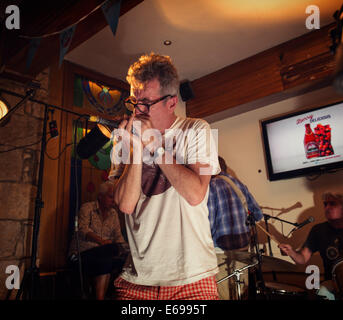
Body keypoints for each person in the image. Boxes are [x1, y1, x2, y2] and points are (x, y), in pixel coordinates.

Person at [109, 53, 221, 300]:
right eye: (134, 101)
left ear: (171, 102)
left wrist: (156, 146)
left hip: (192, 277)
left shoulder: (198, 130)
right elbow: (126, 205)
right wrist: (136, 148)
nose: (138, 110)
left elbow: (195, 194)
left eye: (146, 103)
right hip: (137, 278)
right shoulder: (123, 141)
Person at [278, 192, 343, 300]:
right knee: (322, 293)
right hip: (334, 282)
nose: (327, 208)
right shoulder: (318, 231)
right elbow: (303, 258)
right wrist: (291, 252)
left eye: (332, 204)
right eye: (325, 204)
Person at [207, 156, 263, 299]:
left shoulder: (211, 186)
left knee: (224, 295)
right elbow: (257, 214)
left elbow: (208, 225)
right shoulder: (238, 184)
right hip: (243, 252)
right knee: (241, 295)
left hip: (220, 254)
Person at [69, 181, 127, 300]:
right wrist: (101, 242)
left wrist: (126, 249)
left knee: (115, 259)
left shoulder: (113, 213)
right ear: (100, 196)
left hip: (104, 255)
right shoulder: (87, 208)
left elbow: (118, 236)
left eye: (114, 197)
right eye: (111, 196)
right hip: (82, 254)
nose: (113, 201)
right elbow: (82, 229)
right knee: (108, 251)